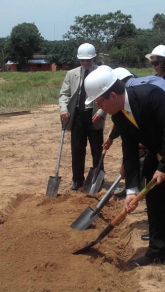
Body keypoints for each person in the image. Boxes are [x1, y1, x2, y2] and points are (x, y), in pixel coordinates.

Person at [84, 68, 165, 279]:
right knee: (155, 200)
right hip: (161, 150)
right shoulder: (120, 117)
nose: (99, 107)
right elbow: (130, 151)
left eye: (99, 101)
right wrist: (132, 189)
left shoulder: (150, 95)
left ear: (112, 96)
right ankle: (158, 252)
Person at [59, 43, 106, 190]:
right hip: (78, 116)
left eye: (88, 60)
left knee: (97, 149)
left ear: (94, 58)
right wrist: (64, 108)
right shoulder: (71, 74)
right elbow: (64, 94)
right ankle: (77, 180)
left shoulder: (101, 73)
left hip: (94, 115)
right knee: (77, 149)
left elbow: (108, 95)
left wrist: (101, 112)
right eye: (82, 60)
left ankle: (98, 178)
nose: (85, 63)